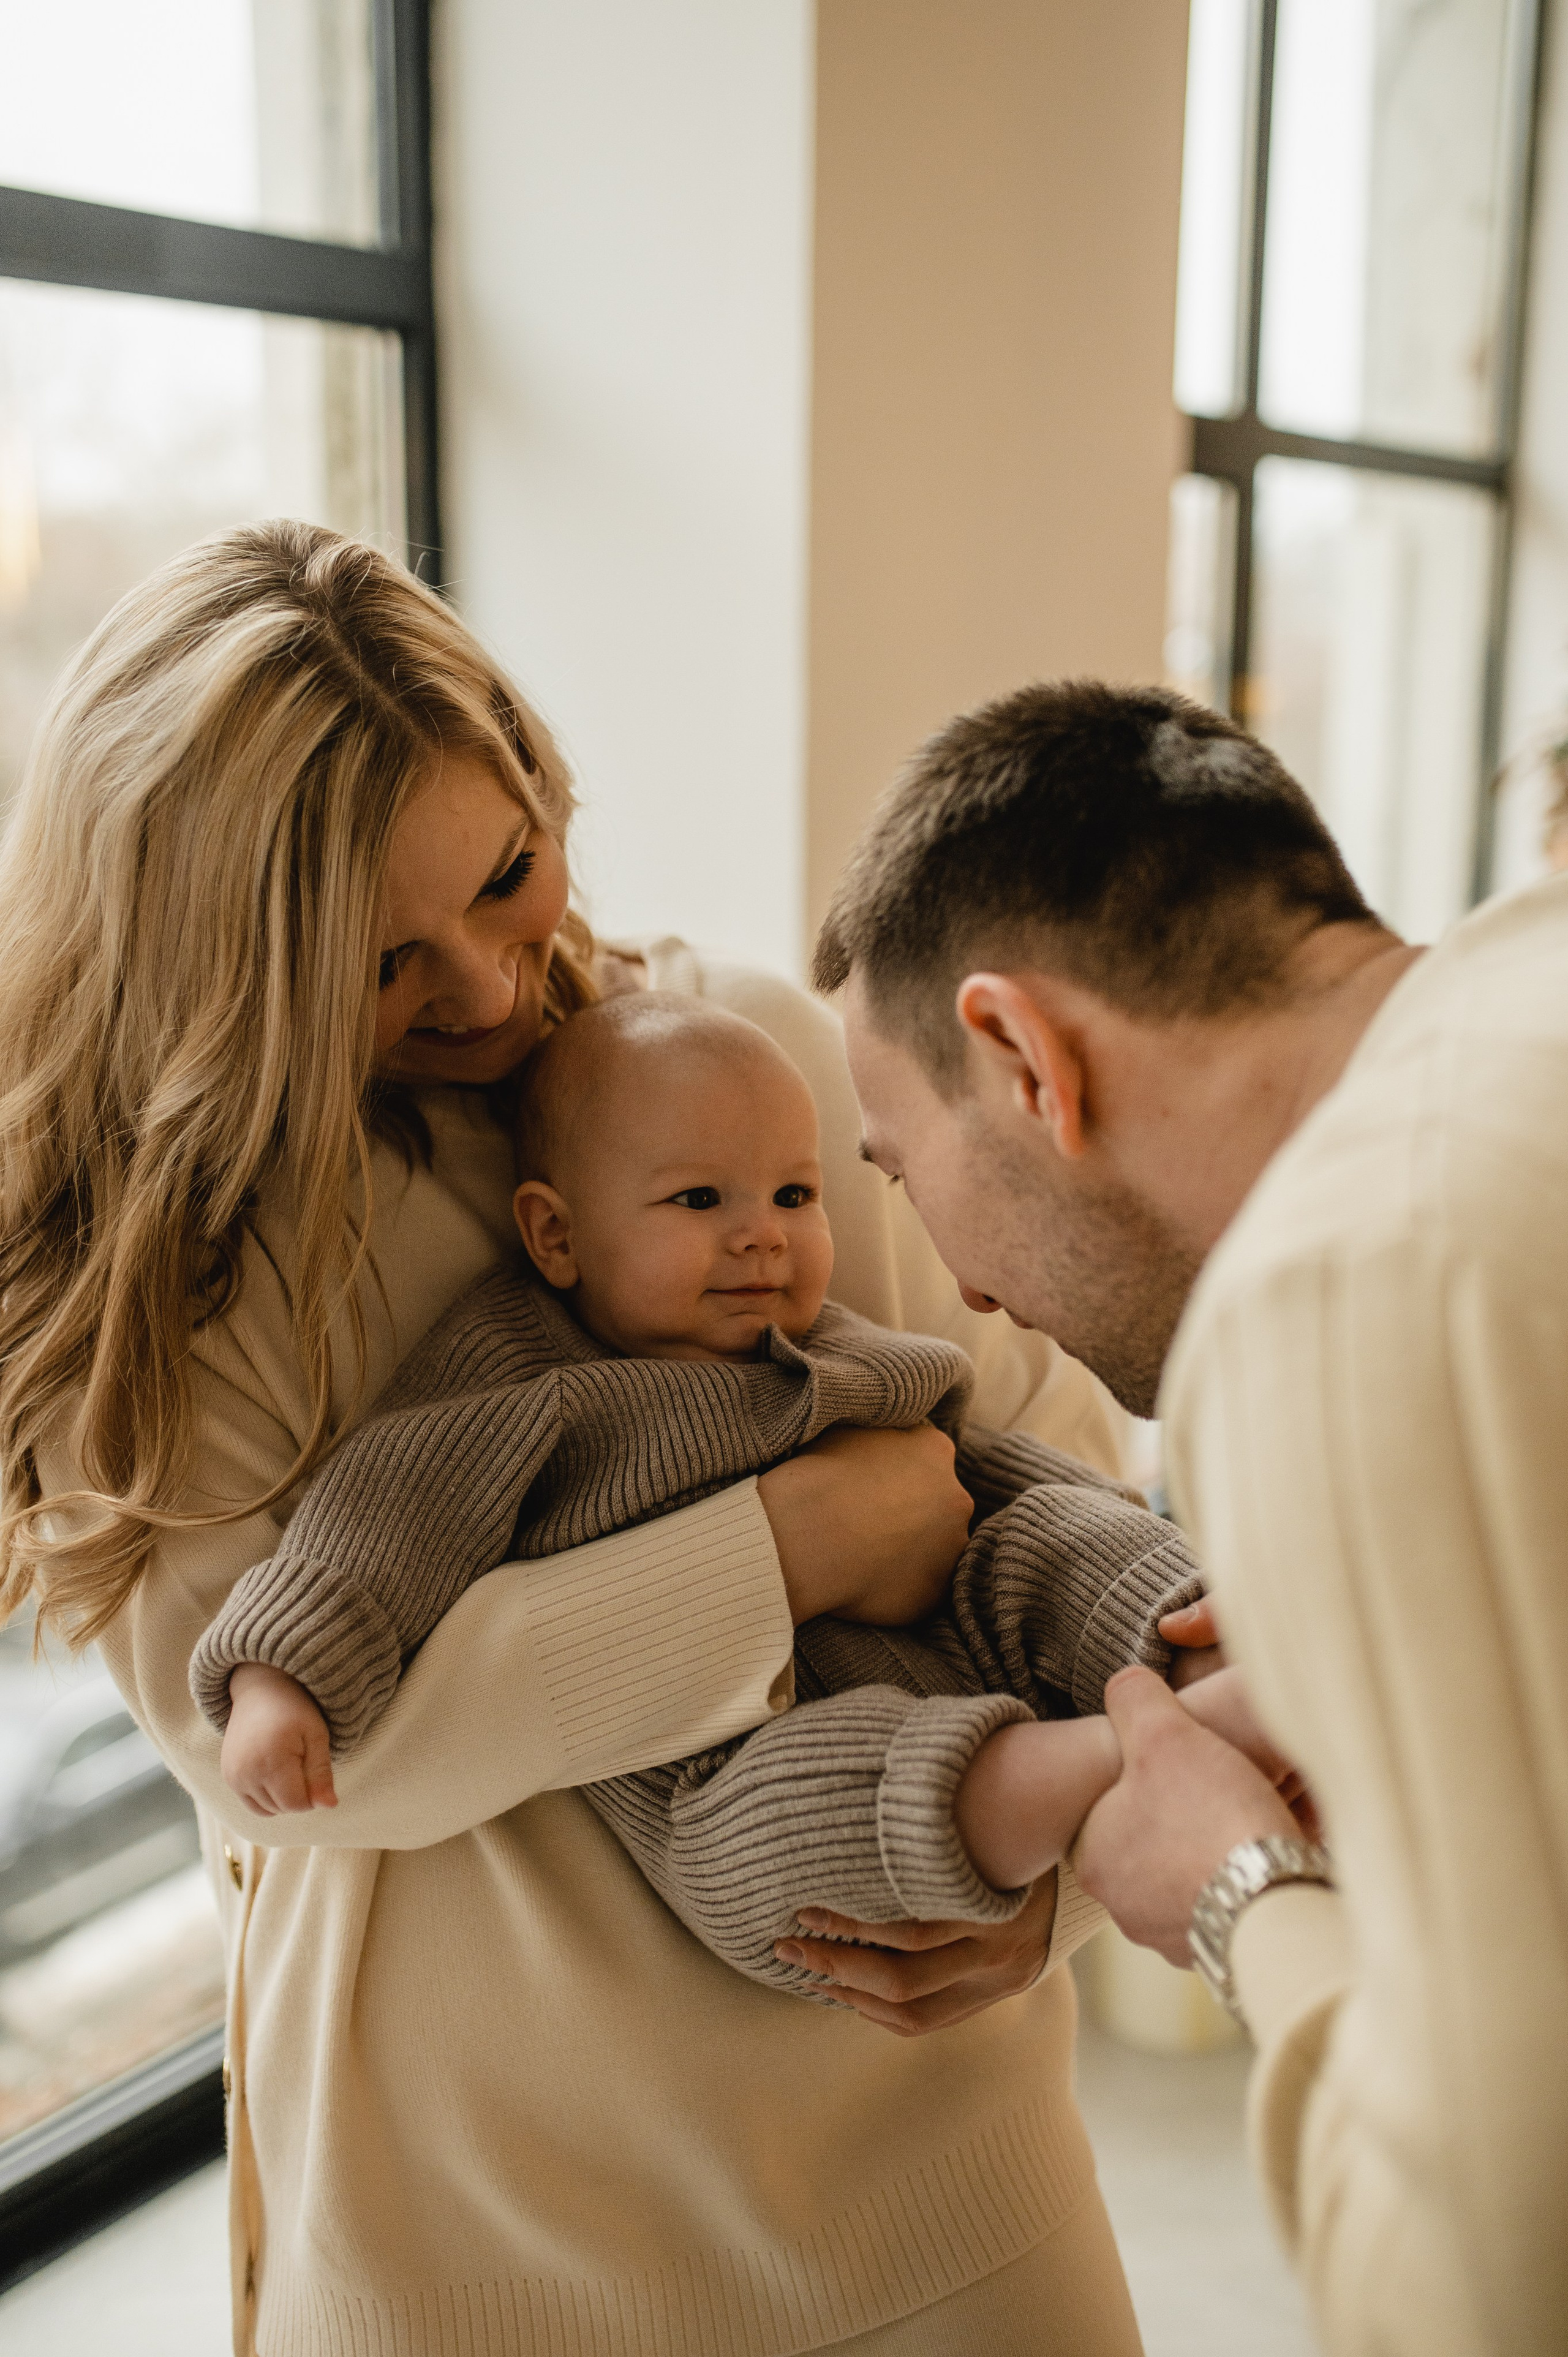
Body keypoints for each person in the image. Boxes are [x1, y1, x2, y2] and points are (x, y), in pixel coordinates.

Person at [1, 526, 1164, 2357]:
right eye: (383, 960)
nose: (484, 986)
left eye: (512, 874)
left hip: (942, 2186)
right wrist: (778, 1551)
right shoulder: (169, 1286)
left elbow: (1047, 1493)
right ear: (222, 960)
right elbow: (305, 1762)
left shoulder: (742, 1057)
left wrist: (1065, 1887)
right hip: (472, 2255)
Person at [811, 676, 1568, 2355]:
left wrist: (1237, 1893)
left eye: (898, 1169)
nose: (973, 1293)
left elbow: (1493, 2288)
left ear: (1020, 1057)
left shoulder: (1344, 1288)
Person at [192, 992, 1276, 1994]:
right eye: (700, 1199)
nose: (763, 1232)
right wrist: (282, 1679)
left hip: (959, 1635)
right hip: (737, 1757)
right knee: (762, 1822)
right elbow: (386, 1517)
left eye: (794, 1195)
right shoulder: (529, 1381)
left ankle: (1214, 1648)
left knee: (1048, 1530)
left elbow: (987, 1467)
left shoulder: (834, 1349)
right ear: (556, 1236)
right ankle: (1100, 1763)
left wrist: (1119, 1545)